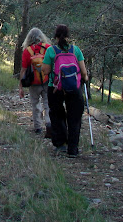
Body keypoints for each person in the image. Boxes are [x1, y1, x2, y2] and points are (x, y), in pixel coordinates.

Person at [42, 24, 88, 157]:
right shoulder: (76, 50)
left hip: (55, 88)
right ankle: (73, 149)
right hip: (74, 88)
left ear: (55, 36)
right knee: (74, 118)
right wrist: (83, 79)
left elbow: (45, 70)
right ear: (68, 36)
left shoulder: (51, 51)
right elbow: (84, 72)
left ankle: (60, 144)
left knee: (57, 115)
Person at [18, 27, 52, 138]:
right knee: (48, 104)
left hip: (33, 83)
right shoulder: (48, 48)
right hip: (47, 81)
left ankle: (38, 127)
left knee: (35, 104)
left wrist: (21, 87)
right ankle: (49, 123)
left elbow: (23, 70)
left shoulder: (27, 51)